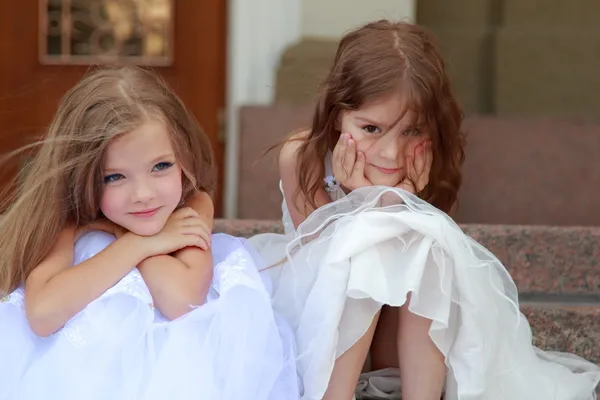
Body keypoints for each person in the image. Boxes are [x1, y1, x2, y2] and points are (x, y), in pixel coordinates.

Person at [245, 20, 600, 400]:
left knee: (427, 246)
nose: (390, 153)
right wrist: (363, 199)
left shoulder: (422, 159)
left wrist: (393, 201)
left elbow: (419, 266)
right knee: (362, 245)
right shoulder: (303, 158)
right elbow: (319, 263)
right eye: (371, 128)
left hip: (396, 339)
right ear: (336, 114)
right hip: (319, 328)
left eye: (411, 131)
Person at [0, 66, 298, 400]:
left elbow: (181, 300)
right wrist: (140, 243)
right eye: (114, 177)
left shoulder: (192, 203)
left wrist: (130, 237)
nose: (142, 194)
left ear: (184, 157)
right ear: (82, 176)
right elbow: (43, 314)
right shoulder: (70, 219)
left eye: (160, 167)